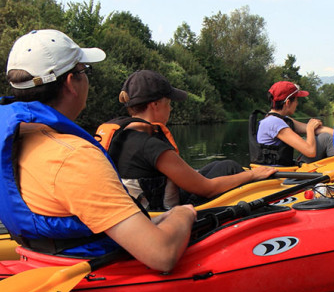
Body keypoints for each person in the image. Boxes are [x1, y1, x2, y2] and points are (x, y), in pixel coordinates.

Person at [0, 29, 194, 272]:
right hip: (87, 273)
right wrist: (182, 214)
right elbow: (162, 254)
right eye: (85, 71)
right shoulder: (73, 156)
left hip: (43, 258)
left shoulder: (22, 139)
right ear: (72, 83)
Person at [96, 70, 276, 210]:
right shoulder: (150, 146)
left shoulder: (120, 134)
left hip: (141, 204)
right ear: (155, 104)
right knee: (233, 169)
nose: (171, 108)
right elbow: (208, 189)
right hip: (164, 214)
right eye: (169, 103)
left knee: (223, 166)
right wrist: (253, 174)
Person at [249, 81, 334, 166]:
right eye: (296, 100)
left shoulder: (281, 119)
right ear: (288, 103)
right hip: (279, 174)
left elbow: (317, 129)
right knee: (326, 139)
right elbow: (310, 152)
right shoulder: (274, 123)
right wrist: (310, 129)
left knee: (325, 137)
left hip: (286, 169)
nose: (297, 103)